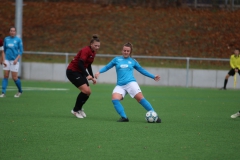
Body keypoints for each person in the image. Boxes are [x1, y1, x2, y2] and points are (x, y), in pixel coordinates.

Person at [95, 42, 161, 123]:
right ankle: (124, 117)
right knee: (115, 99)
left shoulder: (133, 61)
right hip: (120, 85)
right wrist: (99, 72)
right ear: (122, 51)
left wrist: (153, 76)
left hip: (131, 83)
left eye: (127, 51)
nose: (126, 52)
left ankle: (155, 116)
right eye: (124, 50)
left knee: (140, 99)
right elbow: (107, 67)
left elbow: (142, 70)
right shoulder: (116, 59)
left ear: (130, 52)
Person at [66, 35, 100, 118]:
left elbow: (88, 65)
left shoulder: (93, 52)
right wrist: (87, 75)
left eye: (98, 46)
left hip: (80, 72)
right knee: (85, 90)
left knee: (88, 92)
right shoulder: (86, 50)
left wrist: (92, 77)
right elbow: (80, 64)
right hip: (72, 72)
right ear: (91, 44)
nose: (97, 47)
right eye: (95, 45)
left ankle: (79, 108)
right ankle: (75, 110)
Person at [0, 27, 23, 98]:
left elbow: (21, 51)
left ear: (15, 32)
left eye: (14, 31)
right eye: (11, 31)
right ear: (9, 32)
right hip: (7, 60)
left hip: (14, 61)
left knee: (14, 78)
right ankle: (3, 92)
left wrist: (16, 59)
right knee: (5, 76)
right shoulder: (6, 39)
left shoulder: (18, 40)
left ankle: (20, 91)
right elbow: (3, 50)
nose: (12, 32)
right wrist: (2, 59)